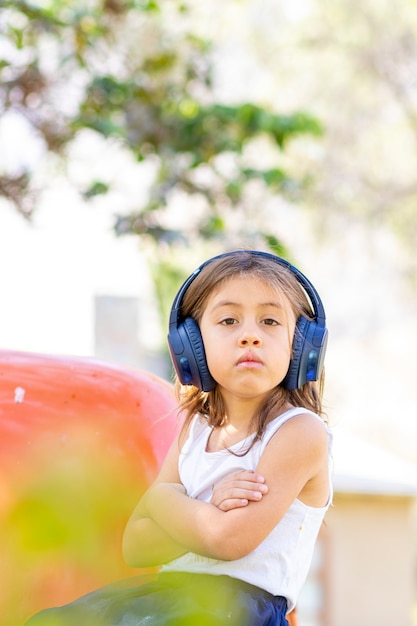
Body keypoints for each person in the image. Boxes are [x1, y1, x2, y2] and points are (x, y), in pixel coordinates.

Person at [25, 249, 332, 626]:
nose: (250, 335)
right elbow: (136, 545)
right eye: (229, 320)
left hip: (237, 610)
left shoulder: (299, 432)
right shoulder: (195, 427)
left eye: (269, 321)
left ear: (302, 346)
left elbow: (227, 541)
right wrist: (207, 508)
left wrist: (162, 500)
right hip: (168, 599)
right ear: (193, 345)